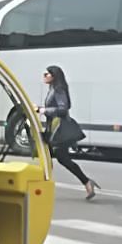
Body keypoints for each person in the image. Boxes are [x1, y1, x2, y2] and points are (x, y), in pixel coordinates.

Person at [42, 65, 98, 200]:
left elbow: (63, 109)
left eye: (47, 74)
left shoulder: (58, 89)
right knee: (49, 156)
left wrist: (43, 110)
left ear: (54, 76)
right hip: (53, 128)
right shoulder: (53, 88)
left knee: (60, 158)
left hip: (59, 130)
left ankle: (86, 182)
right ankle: (86, 182)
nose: (44, 76)